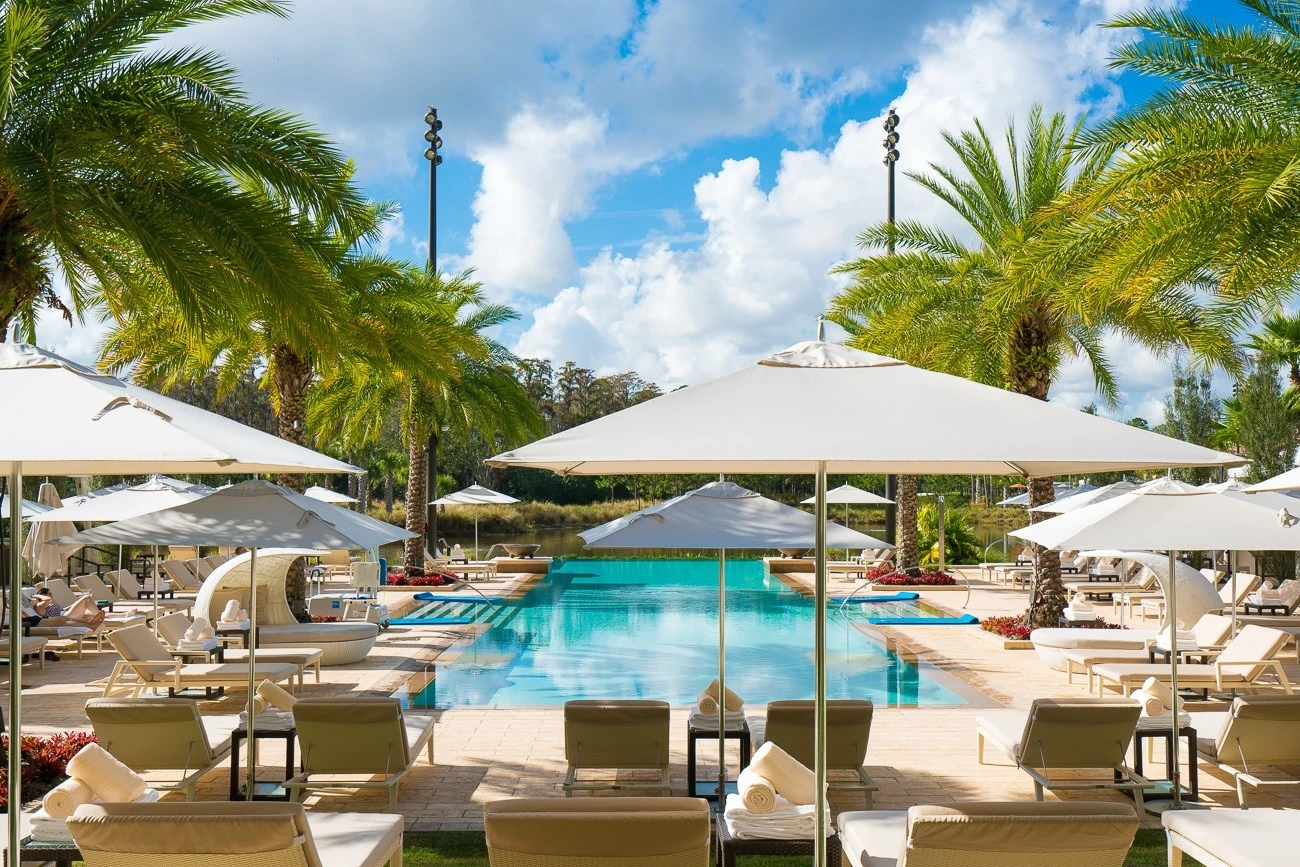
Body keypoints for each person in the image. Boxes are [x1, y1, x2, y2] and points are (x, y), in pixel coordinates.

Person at [26, 587, 106, 629]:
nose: (51, 596)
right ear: (43, 595)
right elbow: (47, 599)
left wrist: (74, 604)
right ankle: (98, 615)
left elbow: (62, 610)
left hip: (66, 614)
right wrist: (36, 595)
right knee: (87, 598)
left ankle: (96, 618)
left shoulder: (49, 605)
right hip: (66, 618)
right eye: (49, 594)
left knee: (89, 612)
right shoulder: (39, 605)